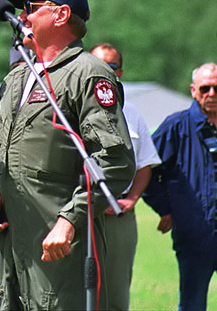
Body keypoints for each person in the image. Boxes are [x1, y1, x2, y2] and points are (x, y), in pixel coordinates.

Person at [0, 0, 135, 310]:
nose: (22, 15)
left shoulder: (88, 74)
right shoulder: (16, 78)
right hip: (12, 245)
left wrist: (69, 220)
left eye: (31, 7)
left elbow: (114, 160)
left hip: (61, 244)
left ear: (61, 14)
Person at [90, 42, 161, 310]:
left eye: (112, 66)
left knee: (117, 296)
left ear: (119, 73)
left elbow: (145, 164)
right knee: (77, 294)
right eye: (98, 64)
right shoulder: (70, 108)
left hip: (118, 216)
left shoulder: (131, 114)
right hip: (80, 213)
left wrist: (131, 199)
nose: (104, 71)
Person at [143, 62, 217, 311]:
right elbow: (146, 170)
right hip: (195, 235)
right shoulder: (176, 127)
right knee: (192, 305)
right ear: (193, 90)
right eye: (205, 88)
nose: (212, 94)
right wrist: (165, 208)